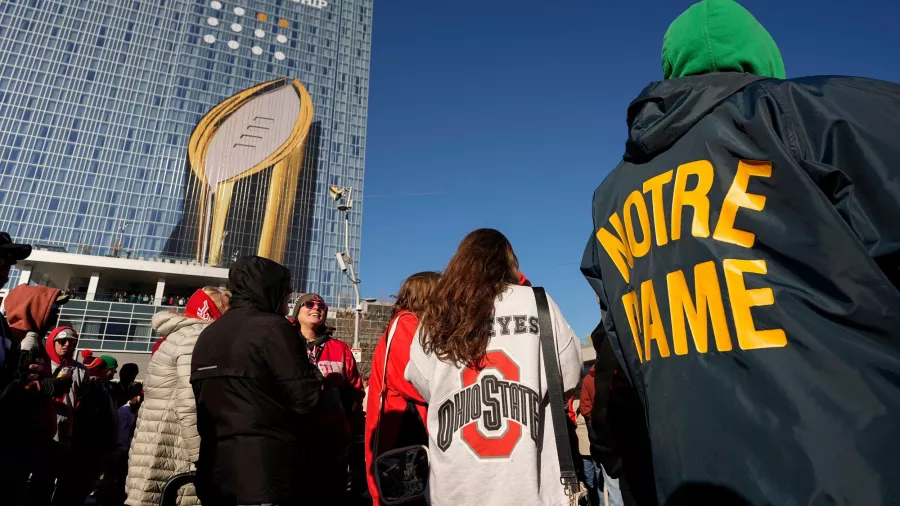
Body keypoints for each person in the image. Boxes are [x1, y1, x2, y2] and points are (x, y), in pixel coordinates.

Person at [581, 1, 900, 504]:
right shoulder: (809, 115)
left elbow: (624, 359)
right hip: (854, 474)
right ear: (762, 58)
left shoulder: (611, 201)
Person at [406, 229, 583, 505]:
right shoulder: (538, 303)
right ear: (509, 261)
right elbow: (569, 376)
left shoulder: (435, 317)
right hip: (529, 488)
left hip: (454, 490)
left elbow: (422, 384)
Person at [190, 256, 324, 506]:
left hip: (214, 467)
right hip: (265, 468)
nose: (290, 295)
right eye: (285, 289)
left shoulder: (209, 333)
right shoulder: (274, 328)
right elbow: (306, 399)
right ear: (269, 288)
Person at [125, 287, 231, 506]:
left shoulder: (181, 334)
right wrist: (202, 457)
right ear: (212, 308)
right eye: (228, 306)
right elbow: (190, 402)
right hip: (173, 452)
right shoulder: (197, 336)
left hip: (158, 444)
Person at [364, 271, 440, 505]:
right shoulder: (406, 322)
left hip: (408, 423)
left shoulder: (411, 324)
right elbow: (410, 379)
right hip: (403, 426)